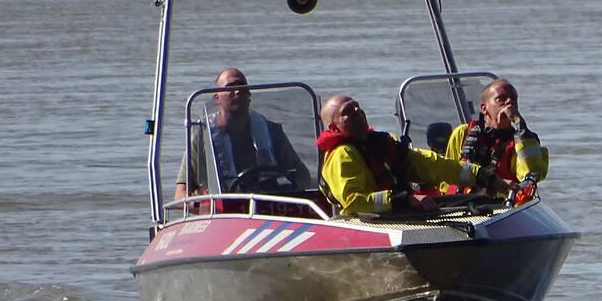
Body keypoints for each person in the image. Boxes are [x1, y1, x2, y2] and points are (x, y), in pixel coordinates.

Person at [316, 94, 509, 216]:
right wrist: (407, 200)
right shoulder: (341, 156)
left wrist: (486, 177)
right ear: (334, 127)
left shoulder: (380, 144)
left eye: (357, 105)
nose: (358, 110)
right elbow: (355, 202)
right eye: (348, 111)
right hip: (371, 220)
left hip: (399, 213)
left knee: (482, 203)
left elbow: (432, 165)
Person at [174, 67, 310, 200]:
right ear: (216, 97)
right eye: (231, 87)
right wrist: (206, 204)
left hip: (268, 206)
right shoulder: (202, 136)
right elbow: (180, 194)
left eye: (242, 86)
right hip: (224, 211)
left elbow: (303, 175)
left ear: (249, 95)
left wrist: (289, 193)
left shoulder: (271, 131)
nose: (238, 91)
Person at [443, 78, 548, 196]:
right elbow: (447, 172)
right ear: (484, 108)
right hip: (459, 206)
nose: (509, 102)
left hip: (501, 209)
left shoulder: (524, 141)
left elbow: (533, 174)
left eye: (513, 99)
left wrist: (519, 124)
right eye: (500, 99)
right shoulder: (463, 133)